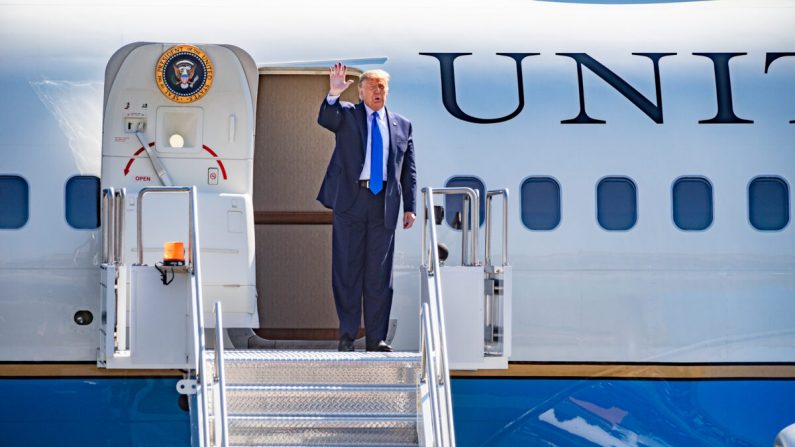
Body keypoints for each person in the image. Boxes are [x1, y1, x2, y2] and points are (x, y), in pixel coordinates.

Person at [317, 63, 416, 352]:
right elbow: (326, 119)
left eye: (382, 86)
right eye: (372, 86)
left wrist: (409, 206)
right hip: (351, 201)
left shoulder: (402, 125)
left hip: (384, 202)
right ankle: (347, 336)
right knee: (347, 271)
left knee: (379, 276)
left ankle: (376, 339)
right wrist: (333, 94)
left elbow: (407, 170)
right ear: (360, 92)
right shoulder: (347, 114)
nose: (377, 91)